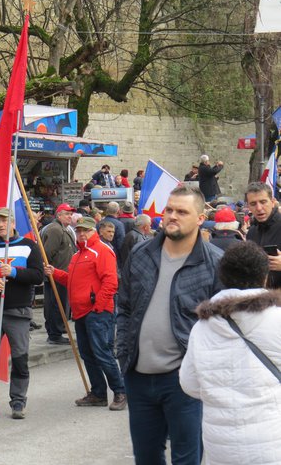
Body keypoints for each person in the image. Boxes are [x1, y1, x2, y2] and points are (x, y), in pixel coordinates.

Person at [117, 185, 223, 465]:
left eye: (182, 211)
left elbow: (223, 327)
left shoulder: (214, 264)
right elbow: (124, 306)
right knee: (146, 457)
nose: (172, 216)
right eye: (169, 209)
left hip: (185, 382)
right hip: (138, 376)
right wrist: (122, 350)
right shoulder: (141, 253)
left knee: (187, 458)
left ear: (200, 218)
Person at [179, 242, 281, 465]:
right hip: (273, 441)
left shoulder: (202, 327)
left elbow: (189, 384)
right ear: (264, 276)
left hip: (220, 447)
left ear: (223, 277)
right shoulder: (277, 318)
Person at [44, 217, 126, 411]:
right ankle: (98, 393)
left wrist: (98, 306)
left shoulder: (102, 251)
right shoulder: (77, 255)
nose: (82, 234)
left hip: (96, 312)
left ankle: (120, 391)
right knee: (88, 355)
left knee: (102, 353)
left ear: (94, 232)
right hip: (81, 312)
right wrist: (54, 272)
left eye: (86, 231)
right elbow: (71, 280)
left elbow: (110, 282)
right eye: (79, 231)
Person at [0, 207, 44, 420]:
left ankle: (18, 402)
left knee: (20, 359)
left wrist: (13, 272)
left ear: (13, 222)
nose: (1, 225)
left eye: (5, 221)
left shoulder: (29, 246)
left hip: (19, 312)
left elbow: (38, 276)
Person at [40, 203, 77, 345]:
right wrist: (49, 271)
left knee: (60, 303)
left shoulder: (64, 229)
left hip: (62, 274)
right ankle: (55, 333)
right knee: (56, 304)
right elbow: (47, 253)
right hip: (56, 274)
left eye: (70, 214)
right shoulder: (56, 230)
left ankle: (57, 331)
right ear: (59, 215)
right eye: (67, 213)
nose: (70, 216)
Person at [245, 181, 281, 289]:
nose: (259, 208)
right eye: (253, 204)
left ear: (273, 202)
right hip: (261, 297)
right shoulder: (252, 232)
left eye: (263, 202)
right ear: (248, 207)